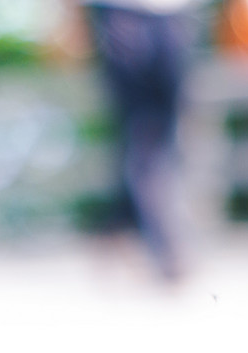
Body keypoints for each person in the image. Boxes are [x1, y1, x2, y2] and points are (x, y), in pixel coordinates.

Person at [82, 0, 200, 278]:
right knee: (144, 129)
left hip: (175, 12)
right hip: (122, 11)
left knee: (167, 128)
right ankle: (166, 248)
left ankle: (116, 228)